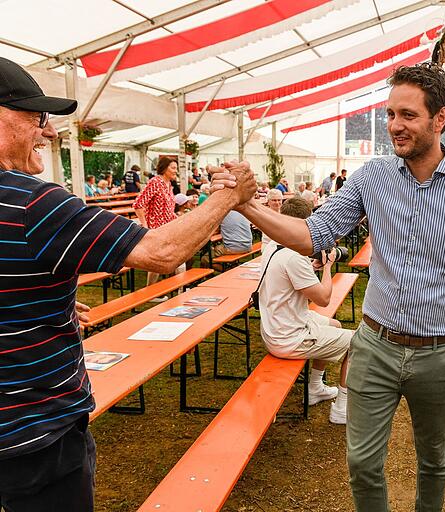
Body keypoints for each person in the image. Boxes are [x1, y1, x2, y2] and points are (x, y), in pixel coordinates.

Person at [215, 62, 445, 512]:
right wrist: (246, 204)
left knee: (433, 460)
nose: (395, 126)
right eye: (390, 114)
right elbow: (312, 234)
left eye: (408, 115)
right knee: (361, 461)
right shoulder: (372, 177)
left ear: (441, 118)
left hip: (439, 352)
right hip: (375, 345)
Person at [0, 56, 256, 512]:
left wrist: (33, 307)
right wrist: (229, 196)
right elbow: (159, 253)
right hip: (36, 433)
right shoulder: (31, 203)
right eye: (37, 117)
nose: (50, 131)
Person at [258, 197, 352, 424]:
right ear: (307, 222)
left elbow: (289, 276)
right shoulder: (294, 257)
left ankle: (315, 387)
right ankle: (342, 408)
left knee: (336, 326)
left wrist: (311, 267)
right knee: (358, 343)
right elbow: (324, 298)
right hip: (290, 337)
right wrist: (327, 267)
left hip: (276, 327)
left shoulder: (273, 246)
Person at [133, 157, 186, 297]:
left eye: (176, 168)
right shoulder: (155, 182)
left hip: (169, 229)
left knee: (172, 259)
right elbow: (138, 204)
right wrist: (145, 226)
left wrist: (180, 219)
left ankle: (178, 290)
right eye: (173, 168)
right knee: (157, 263)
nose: (176, 171)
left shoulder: (169, 184)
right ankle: (152, 293)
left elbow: (168, 210)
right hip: (156, 230)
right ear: (164, 168)